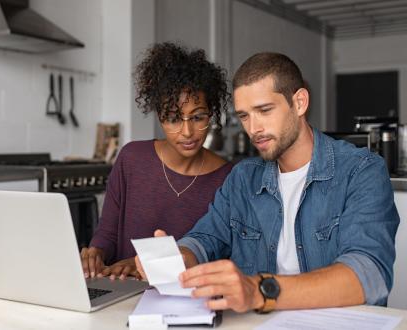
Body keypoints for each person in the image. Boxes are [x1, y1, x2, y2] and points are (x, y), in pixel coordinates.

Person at [137, 52, 400, 313]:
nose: (253, 128)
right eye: (244, 116)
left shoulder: (361, 170)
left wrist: (260, 291)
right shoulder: (243, 178)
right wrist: (180, 257)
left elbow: (369, 275)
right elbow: (206, 237)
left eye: (264, 110)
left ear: (299, 102)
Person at [81, 42, 233, 280]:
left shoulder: (229, 178)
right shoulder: (131, 159)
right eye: (173, 118)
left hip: (185, 301)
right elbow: (107, 233)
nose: (187, 132)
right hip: (120, 293)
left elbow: (218, 253)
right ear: (159, 117)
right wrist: (95, 253)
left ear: (211, 114)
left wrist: (143, 264)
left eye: (198, 117)